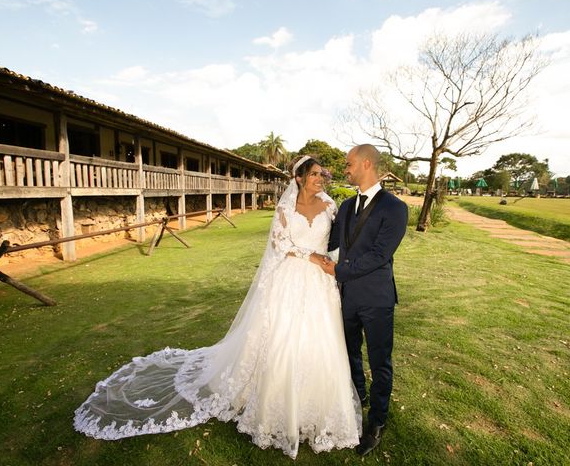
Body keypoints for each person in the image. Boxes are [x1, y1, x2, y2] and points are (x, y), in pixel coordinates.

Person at [74, 155, 362, 459]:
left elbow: (338, 240)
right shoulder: (285, 208)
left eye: (323, 174)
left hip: (320, 283)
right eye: (315, 174)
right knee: (282, 339)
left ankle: (319, 404)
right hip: (290, 278)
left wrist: (333, 262)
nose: (321, 179)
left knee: (320, 340)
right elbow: (280, 245)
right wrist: (310, 256)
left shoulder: (330, 205)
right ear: (300, 178)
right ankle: (274, 402)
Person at [321, 144, 408, 456]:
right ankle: (358, 397)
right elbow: (332, 242)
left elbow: (379, 254)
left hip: (377, 298)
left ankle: (377, 421)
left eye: (349, 164)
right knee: (349, 353)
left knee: (380, 361)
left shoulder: (395, 208)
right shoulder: (344, 206)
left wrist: (340, 270)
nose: (345, 169)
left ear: (366, 163)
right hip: (344, 297)